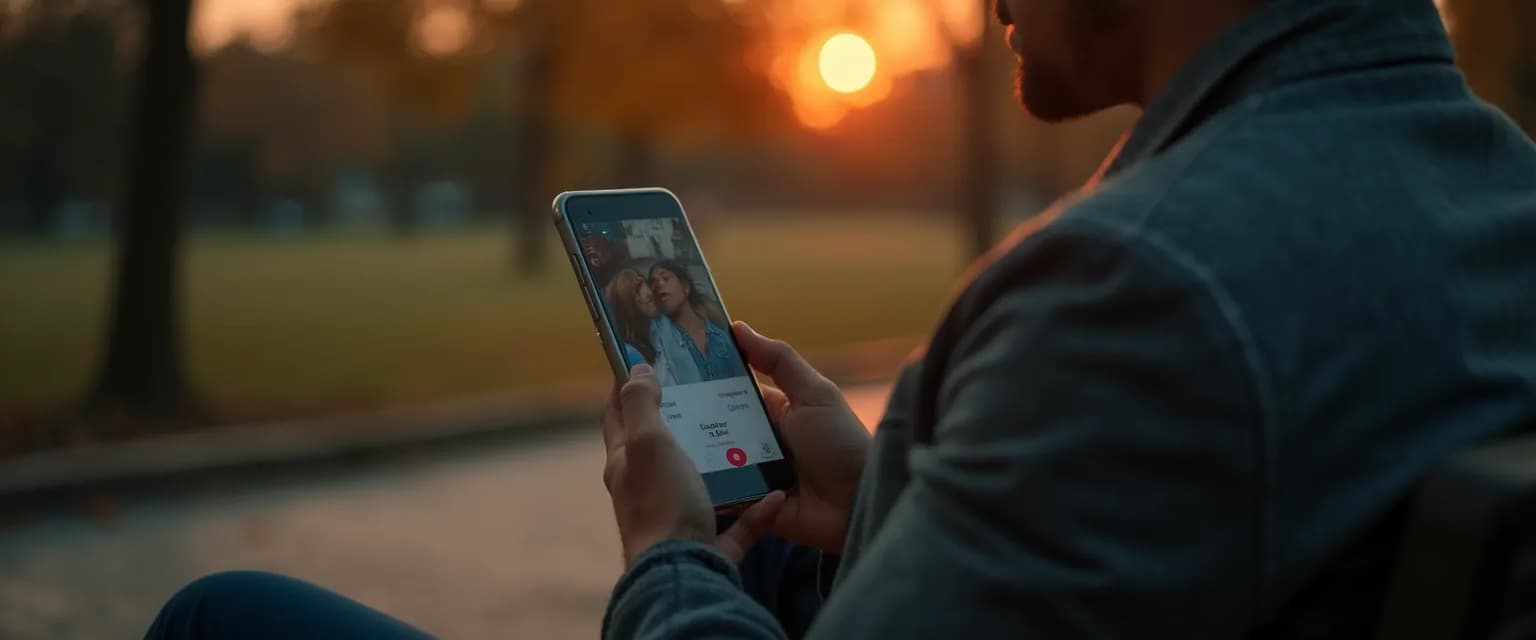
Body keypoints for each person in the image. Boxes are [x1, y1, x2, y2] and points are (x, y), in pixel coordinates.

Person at [146, 0, 1536, 637]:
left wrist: (668, 556)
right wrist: (885, 496)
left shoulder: (1146, 290)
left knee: (224, 617)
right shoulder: (1498, 191)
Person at [648, 260, 746, 383]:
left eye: (665, 278)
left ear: (685, 288)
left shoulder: (722, 339)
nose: (659, 285)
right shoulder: (661, 339)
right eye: (654, 284)